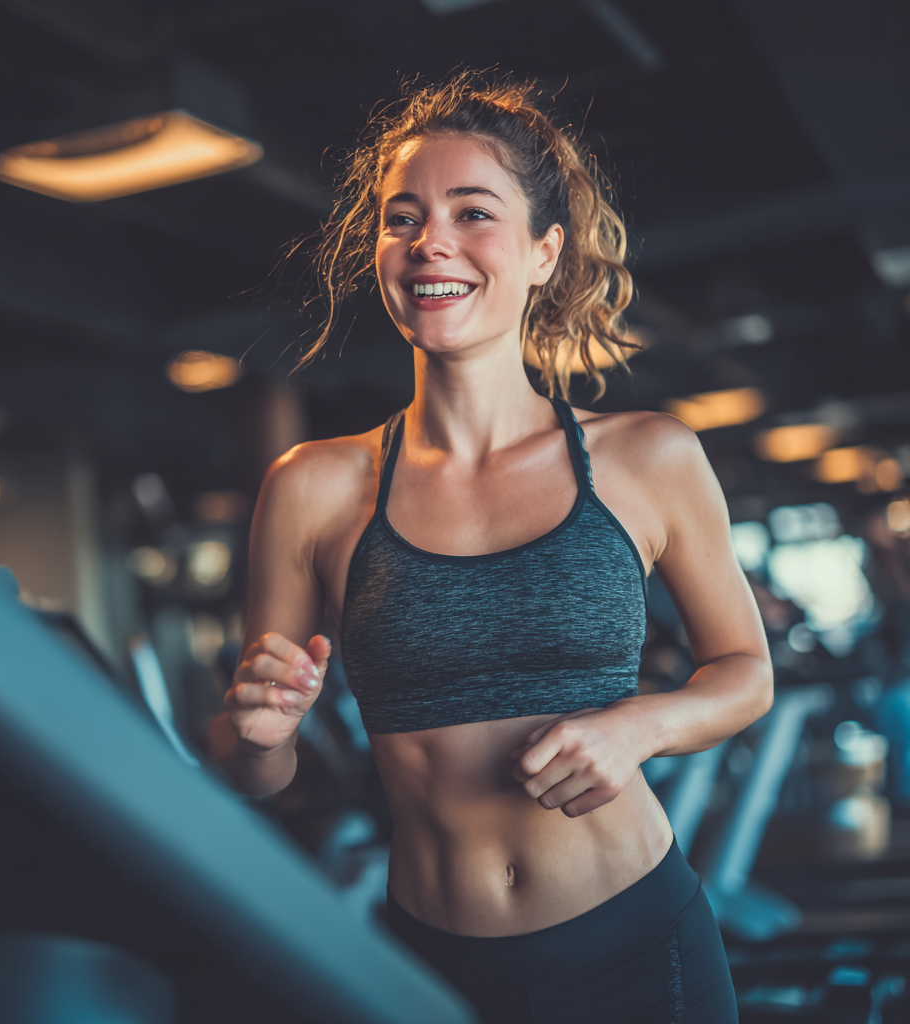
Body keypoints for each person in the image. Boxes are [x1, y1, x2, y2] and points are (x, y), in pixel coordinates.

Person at [208, 72, 772, 1023]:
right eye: (402, 217)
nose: (430, 242)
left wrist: (641, 725)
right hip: (430, 967)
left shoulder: (646, 458)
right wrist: (256, 735)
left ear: (546, 252)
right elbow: (254, 769)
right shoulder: (312, 486)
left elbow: (747, 671)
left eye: (474, 212)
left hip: (637, 943)